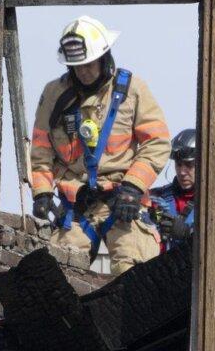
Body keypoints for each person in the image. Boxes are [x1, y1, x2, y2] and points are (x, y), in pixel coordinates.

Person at [29, 15, 171, 276]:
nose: (83, 72)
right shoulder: (54, 95)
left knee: (133, 269)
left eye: (88, 64)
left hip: (123, 204)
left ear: (104, 57)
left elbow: (158, 142)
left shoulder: (132, 90)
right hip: (77, 210)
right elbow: (40, 150)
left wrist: (132, 187)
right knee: (52, 275)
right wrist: (42, 193)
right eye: (76, 66)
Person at [150, 129, 197, 252]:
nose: (182, 172)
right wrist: (153, 217)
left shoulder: (214, 202)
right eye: (179, 164)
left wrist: (188, 232)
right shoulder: (156, 197)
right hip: (160, 268)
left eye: (189, 165)